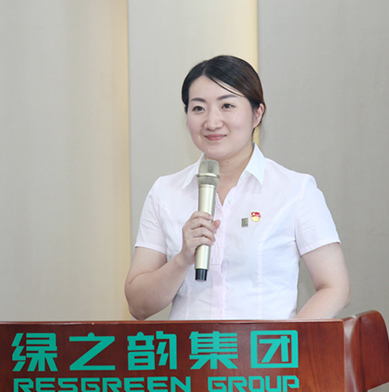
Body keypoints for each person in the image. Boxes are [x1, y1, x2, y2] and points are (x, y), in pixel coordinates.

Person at [125, 55, 350, 321]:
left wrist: (288, 341)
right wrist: (182, 258)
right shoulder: (165, 192)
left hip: (265, 348)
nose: (212, 122)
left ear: (257, 114)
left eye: (227, 106)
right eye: (198, 108)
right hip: (192, 347)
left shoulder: (295, 190)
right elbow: (138, 305)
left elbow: (335, 287)